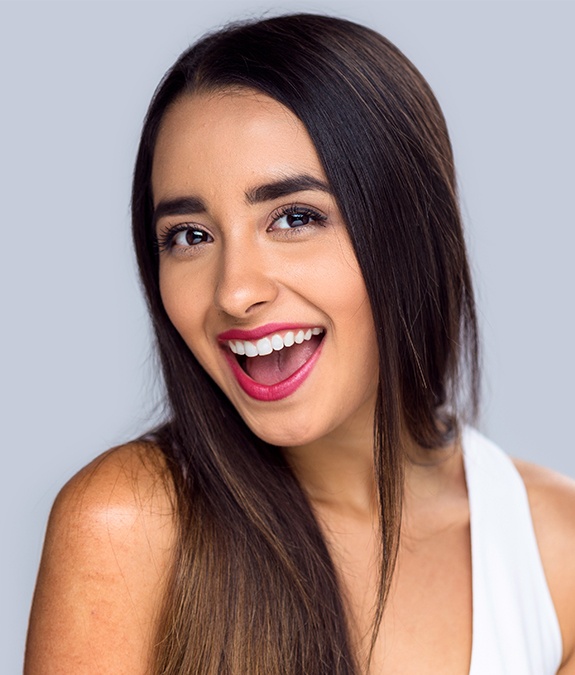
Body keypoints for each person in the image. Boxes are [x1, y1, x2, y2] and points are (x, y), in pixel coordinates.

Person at [24, 13, 575, 674]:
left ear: (411, 231)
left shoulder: (555, 554)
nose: (234, 291)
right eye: (190, 235)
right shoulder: (128, 526)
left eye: (295, 217)